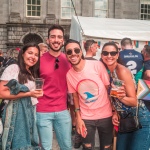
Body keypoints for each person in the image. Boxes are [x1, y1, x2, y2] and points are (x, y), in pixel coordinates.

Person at [64, 39, 113, 150]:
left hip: (105, 114)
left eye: (76, 50)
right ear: (66, 55)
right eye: (69, 52)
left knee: (106, 147)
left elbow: (107, 89)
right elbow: (75, 95)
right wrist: (78, 117)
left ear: (81, 52)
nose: (73, 54)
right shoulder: (69, 75)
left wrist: (114, 111)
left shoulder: (97, 65)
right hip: (86, 117)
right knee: (87, 147)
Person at [101, 42, 150, 150]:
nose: (109, 56)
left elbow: (134, 101)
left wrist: (120, 97)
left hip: (140, 118)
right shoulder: (109, 72)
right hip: (125, 118)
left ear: (117, 55)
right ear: (102, 55)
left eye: (112, 53)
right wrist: (115, 112)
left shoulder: (121, 70)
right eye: (106, 53)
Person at [0, 42, 43, 150]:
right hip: (17, 112)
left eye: (36, 55)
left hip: (30, 111)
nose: (33, 57)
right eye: (30, 53)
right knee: (19, 144)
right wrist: (29, 93)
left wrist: (35, 94)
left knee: (28, 144)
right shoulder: (14, 68)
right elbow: (1, 92)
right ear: (23, 53)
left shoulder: (31, 72)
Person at [36, 25, 72, 150]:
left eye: (59, 37)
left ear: (63, 40)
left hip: (63, 110)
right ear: (48, 40)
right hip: (42, 111)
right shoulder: (38, 61)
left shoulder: (69, 60)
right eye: (53, 37)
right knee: (45, 147)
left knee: (66, 146)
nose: (56, 40)